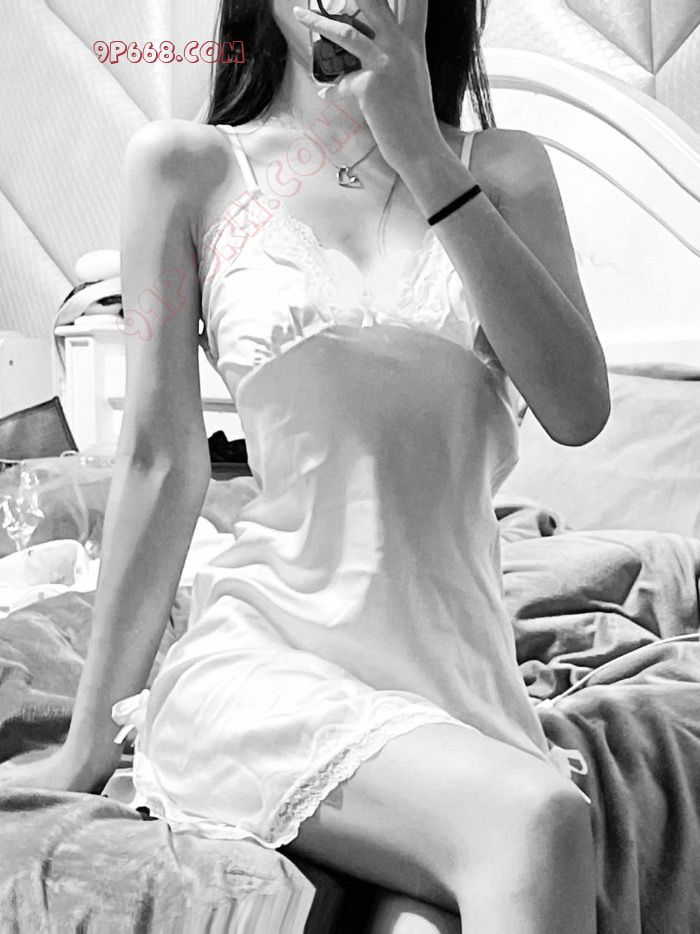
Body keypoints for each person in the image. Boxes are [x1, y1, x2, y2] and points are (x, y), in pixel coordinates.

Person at [0, 1, 610, 930]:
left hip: (454, 678)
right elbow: (161, 463)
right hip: (262, 668)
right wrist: (88, 745)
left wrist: (422, 153)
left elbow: (578, 409)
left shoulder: (504, 171)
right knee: (539, 821)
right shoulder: (189, 167)